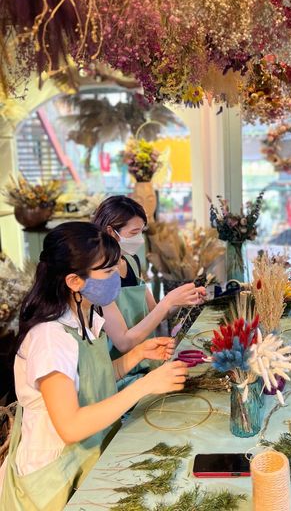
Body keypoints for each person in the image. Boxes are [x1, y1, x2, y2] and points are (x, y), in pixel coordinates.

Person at [0, 222, 188, 510]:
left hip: (88, 454)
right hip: (56, 478)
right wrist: (144, 385)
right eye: (108, 272)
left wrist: (136, 355)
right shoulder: (51, 339)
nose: (116, 278)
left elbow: (93, 380)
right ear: (75, 281)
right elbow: (71, 426)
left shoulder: (86, 317)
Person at [92, 196, 205, 386]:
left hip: (148, 362)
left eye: (141, 232)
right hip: (122, 373)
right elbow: (123, 342)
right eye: (134, 233)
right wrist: (168, 301)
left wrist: (182, 300)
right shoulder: (100, 277)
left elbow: (155, 313)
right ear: (111, 232)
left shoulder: (131, 262)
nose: (139, 240)